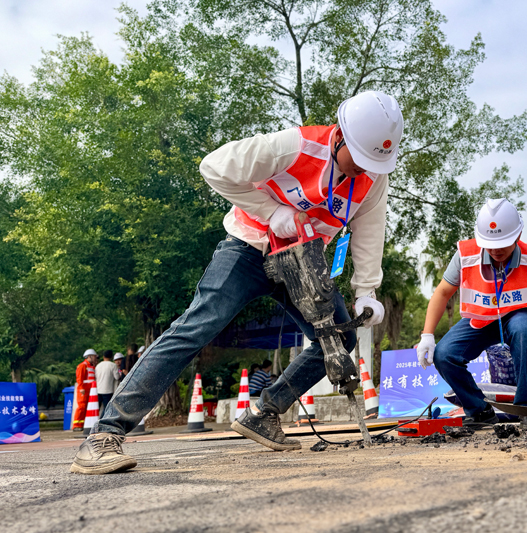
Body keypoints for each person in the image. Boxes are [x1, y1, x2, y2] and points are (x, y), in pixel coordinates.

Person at [71, 90, 403, 475]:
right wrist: (271, 212)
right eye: (358, 158)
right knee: (197, 326)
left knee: (340, 338)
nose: (363, 169)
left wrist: (367, 291)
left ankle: (264, 413)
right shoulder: (293, 145)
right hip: (248, 247)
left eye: (372, 163)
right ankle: (105, 434)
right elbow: (214, 167)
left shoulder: (373, 175)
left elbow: (369, 230)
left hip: (302, 261)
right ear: (341, 136)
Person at [416, 199, 527, 426]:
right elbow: (442, 293)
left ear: (518, 235)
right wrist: (427, 334)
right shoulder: (465, 255)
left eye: (503, 244)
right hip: (480, 319)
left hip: (516, 317)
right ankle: (479, 410)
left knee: (523, 331)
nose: (496, 250)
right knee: (444, 354)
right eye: (489, 245)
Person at [72, 349, 98, 431]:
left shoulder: (92, 366)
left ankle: (83, 424)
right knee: (82, 407)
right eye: (94, 356)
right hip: (84, 389)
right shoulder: (82, 365)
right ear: (89, 356)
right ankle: (76, 425)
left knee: (87, 408)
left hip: (90, 390)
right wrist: (81, 388)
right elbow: (79, 378)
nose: (95, 358)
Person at [95, 350, 120, 415]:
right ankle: (101, 419)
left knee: (97, 408)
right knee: (107, 408)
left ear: (103, 356)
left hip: (98, 390)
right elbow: (117, 377)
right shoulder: (113, 365)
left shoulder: (98, 366)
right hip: (108, 391)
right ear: (111, 357)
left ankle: (96, 419)